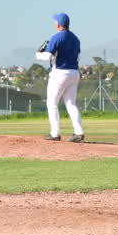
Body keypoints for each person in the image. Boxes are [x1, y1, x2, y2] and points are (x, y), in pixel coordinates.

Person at [37, 12, 84, 142]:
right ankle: (79, 133)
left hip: (60, 73)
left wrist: (38, 54)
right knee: (71, 103)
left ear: (58, 24)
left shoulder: (56, 37)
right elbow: (79, 57)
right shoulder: (75, 38)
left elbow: (47, 56)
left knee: (52, 103)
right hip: (74, 72)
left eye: (55, 21)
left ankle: (55, 134)